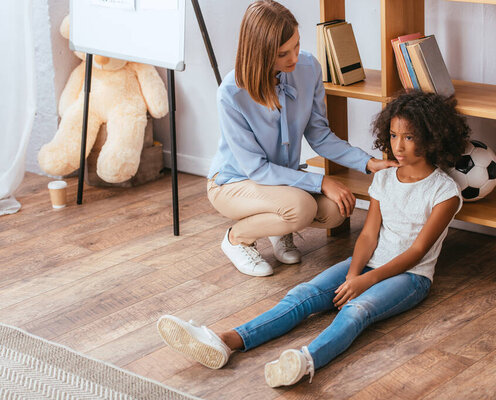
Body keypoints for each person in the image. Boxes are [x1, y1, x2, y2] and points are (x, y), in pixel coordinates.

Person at [158, 90, 471, 387]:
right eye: (393, 135)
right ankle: (227, 340)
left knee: (357, 311)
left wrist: (365, 282)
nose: (398, 146)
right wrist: (352, 274)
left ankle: (306, 361)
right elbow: (369, 234)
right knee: (302, 295)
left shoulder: (444, 193)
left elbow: (417, 251)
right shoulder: (385, 176)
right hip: (366, 264)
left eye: (409, 137)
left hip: (410, 277)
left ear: (432, 138)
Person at [206, 0, 397, 277]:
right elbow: (257, 169)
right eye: (284, 53)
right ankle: (237, 238)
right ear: (260, 54)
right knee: (301, 207)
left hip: (280, 181)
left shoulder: (308, 67)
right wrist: (321, 181)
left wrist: (367, 163)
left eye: (296, 45)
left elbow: (319, 135)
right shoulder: (231, 93)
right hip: (234, 182)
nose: (295, 57)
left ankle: (278, 227)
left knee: (336, 209)